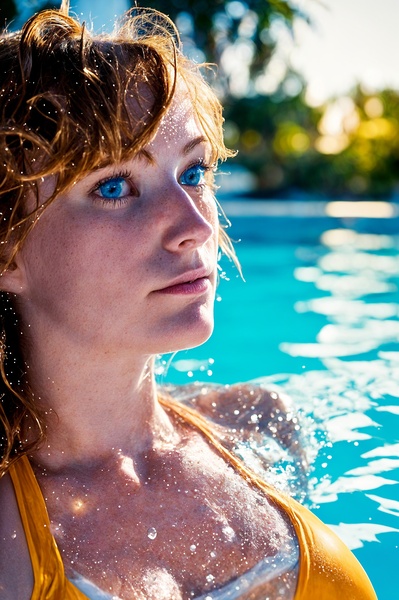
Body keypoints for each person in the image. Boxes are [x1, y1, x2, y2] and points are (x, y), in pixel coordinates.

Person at [0, 3, 376, 599]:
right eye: (115, 187)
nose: (194, 224)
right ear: (8, 253)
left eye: (194, 172)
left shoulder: (262, 425)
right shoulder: (11, 545)